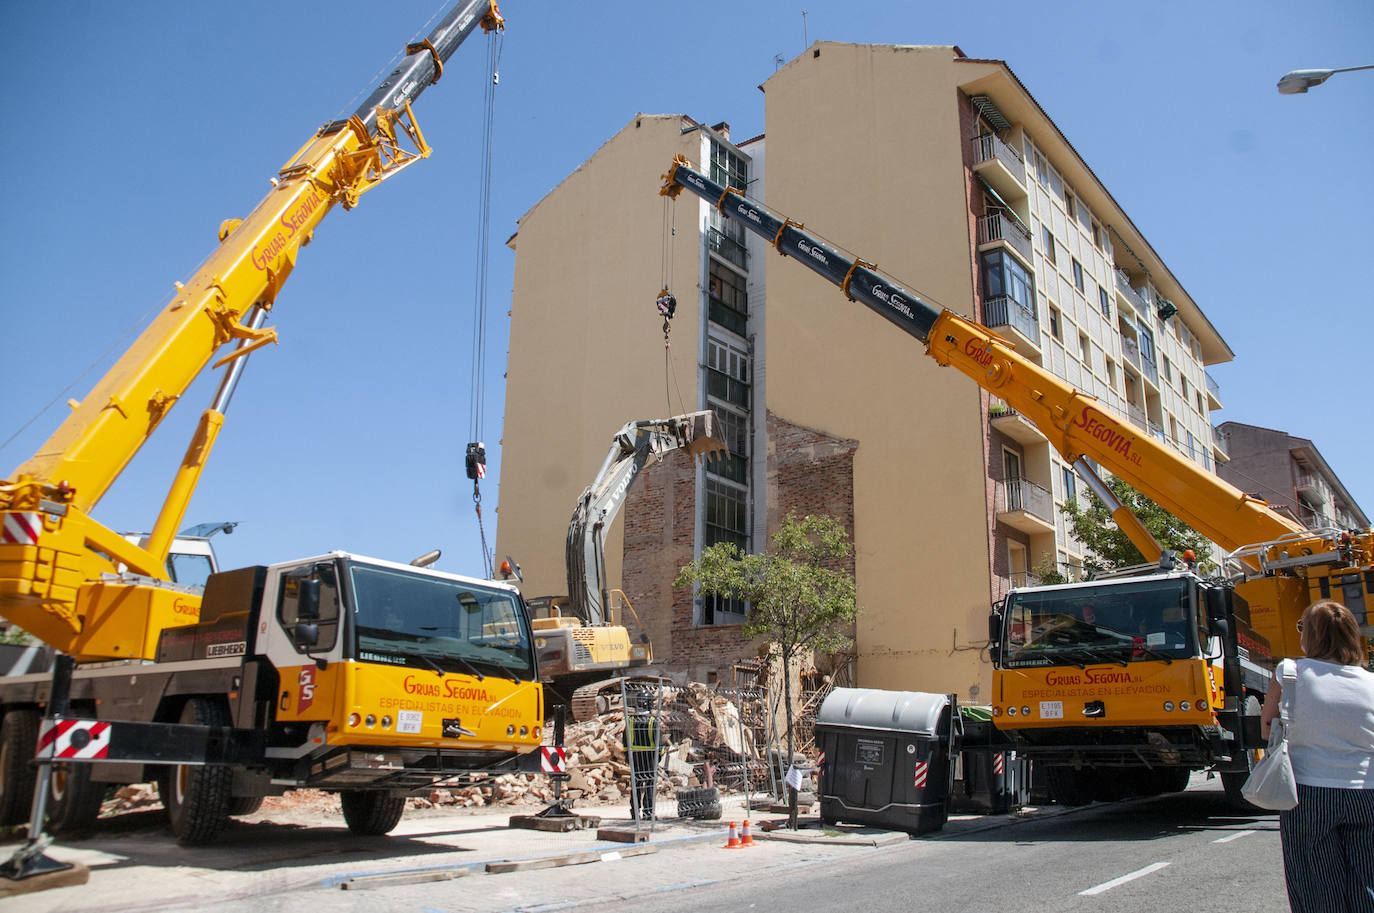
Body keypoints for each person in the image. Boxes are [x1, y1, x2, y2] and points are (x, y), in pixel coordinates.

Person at [1260, 599, 1374, 912]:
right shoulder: (1371, 682)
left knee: (1316, 888)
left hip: (1309, 794)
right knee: (1368, 886)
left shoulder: (1290, 672)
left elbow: (1267, 727)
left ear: (1310, 635)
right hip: (1367, 793)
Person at [627, 693, 660, 820]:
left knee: (636, 784)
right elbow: (658, 741)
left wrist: (627, 755)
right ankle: (648, 812)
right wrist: (659, 756)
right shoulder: (652, 720)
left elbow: (626, 740)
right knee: (650, 784)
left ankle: (635, 811)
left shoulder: (631, 720)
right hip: (650, 757)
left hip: (635, 757)